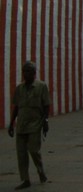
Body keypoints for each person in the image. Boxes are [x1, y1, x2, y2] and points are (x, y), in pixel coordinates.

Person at [8, 61, 51, 190]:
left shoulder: (41, 86)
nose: (25, 74)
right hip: (21, 124)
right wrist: (11, 124)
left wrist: (45, 121)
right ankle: (25, 179)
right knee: (21, 154)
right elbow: (16, 107)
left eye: (28, 71)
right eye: (24, 71)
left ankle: (41, 171)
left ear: (34, 73)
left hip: (35, 123)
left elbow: (46, 105)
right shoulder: (19, 88)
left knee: (34, 150)